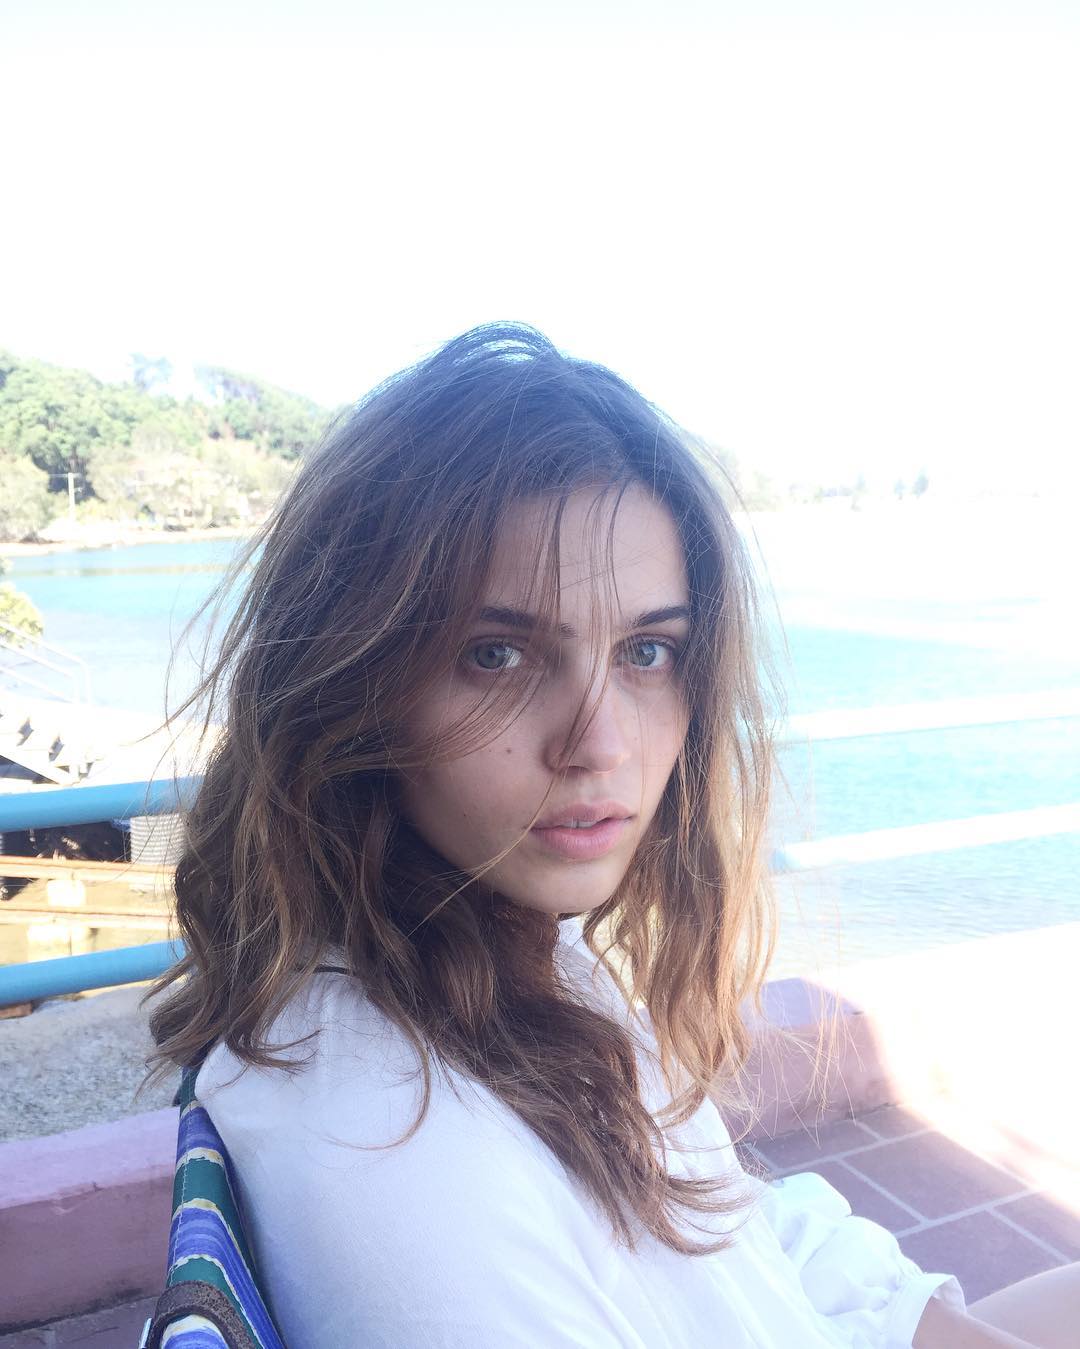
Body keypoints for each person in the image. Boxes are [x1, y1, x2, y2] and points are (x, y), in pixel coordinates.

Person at [141, 323, 1072, 1348]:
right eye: (496, 654)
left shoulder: (506, 958)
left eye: (647, 650)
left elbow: (733, 1226)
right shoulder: (402, 1146)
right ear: (353, 684)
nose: (601, 742)